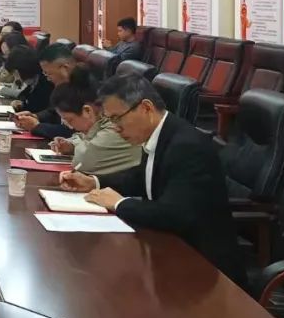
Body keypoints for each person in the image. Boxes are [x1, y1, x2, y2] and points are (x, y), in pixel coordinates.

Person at [59, 74, 246, 288]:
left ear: (146, 108)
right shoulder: (160, 133)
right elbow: (141, 177)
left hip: (204, 270)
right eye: (110, 120)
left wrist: (119, 203)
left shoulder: (186, 146)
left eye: (117, 118)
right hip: (169, 250)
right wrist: (93, 182)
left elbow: (174, 214)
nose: (115, 128)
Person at [47, 68, 141, 176]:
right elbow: (83, 138)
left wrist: (78, 144)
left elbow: (82, 161)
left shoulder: (116, 128)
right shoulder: (100, 121)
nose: (70, 127)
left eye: (70, 120)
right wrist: (71, 145)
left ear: (88, 111)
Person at [12, 43, 75, 139]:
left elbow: (73, 132)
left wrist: (37, 126)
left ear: (64, 68)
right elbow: (53, 112)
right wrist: (35, 116)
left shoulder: (82, 90)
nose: (48, 79)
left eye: (49, 74)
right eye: (45, 74)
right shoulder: (63, 87)